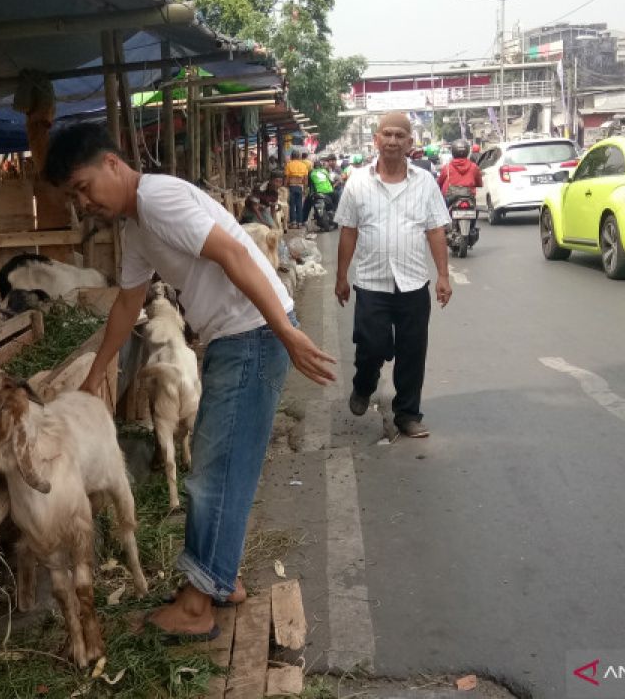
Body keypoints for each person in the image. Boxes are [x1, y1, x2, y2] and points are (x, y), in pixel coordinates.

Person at [44, 123, 335, 641]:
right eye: (73, 197)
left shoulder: (156, 201)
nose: (83, 203)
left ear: (112, 164)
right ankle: (220, 580)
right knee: (221, 467)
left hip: (249, 335)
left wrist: (285, 331)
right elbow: (126, 304)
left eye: (83, 188)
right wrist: (92, 380)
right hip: (238, 336)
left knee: (216, 474)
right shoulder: (138, 228)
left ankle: (199, 604)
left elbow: (236, 254)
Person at [333, 112, 452, 440]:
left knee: (413, 350)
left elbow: (436, 230)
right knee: (372, 344)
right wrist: (341, 277)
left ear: (410, 143)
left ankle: (408, 414)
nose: (393, 141)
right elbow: (348, 232)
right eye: (387, 134)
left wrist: (443, 275)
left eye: (400, 135)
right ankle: (364, 384)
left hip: (414, 282)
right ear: (376, 140)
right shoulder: (358, 181)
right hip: (371, 282)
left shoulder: (425, 182)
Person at [305, 156, 338, 231]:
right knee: (334, 207)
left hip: (319, 193)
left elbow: (309, 184)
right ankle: (334, 216)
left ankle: (303, 220)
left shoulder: (311, 173)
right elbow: (331, 181)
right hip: (330, 192)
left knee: (307, 204)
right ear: (320, 166)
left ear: (314, 167)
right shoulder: (324, 171)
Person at [284, 149, 310, 228]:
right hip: (300, 187)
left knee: (292, 205)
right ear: (299, 156)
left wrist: (285, 187)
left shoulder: (289, 164)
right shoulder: (303, 165)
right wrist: (305, 189)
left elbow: (287, 178)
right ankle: (300, 223)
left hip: (291, 186)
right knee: (299, 205)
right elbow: (306, 179)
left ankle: (293, 223)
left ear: (292, 156)